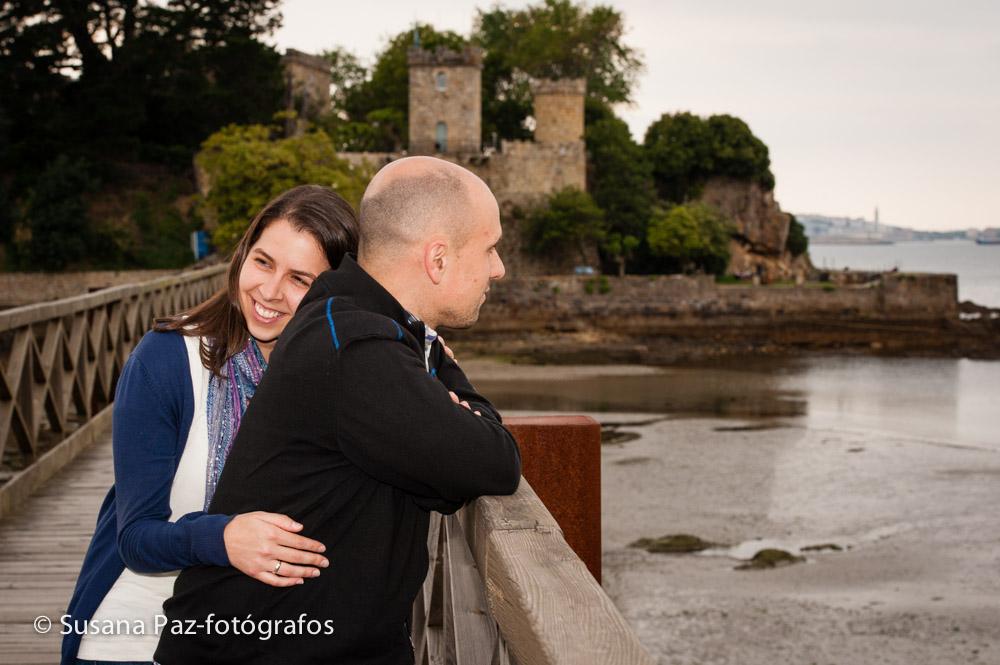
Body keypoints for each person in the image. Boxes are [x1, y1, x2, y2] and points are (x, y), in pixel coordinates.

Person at [154, 157, 521, 665]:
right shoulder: (357, 349)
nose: (498, 267)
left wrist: (435, 364)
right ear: (437, 259)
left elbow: (447, 469)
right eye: (489, 248)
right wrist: (455, 397)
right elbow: (495, 461)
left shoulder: (344, 316)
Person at [62, 185, 360, 665]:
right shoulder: (167, 360)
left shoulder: (343, 376)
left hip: (266, 637)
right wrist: (222, 538)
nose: (269, 291)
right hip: (139, 634)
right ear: (242, 254)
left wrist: (428, 370)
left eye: (299, 279)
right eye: (263, 262)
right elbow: (135, 537)